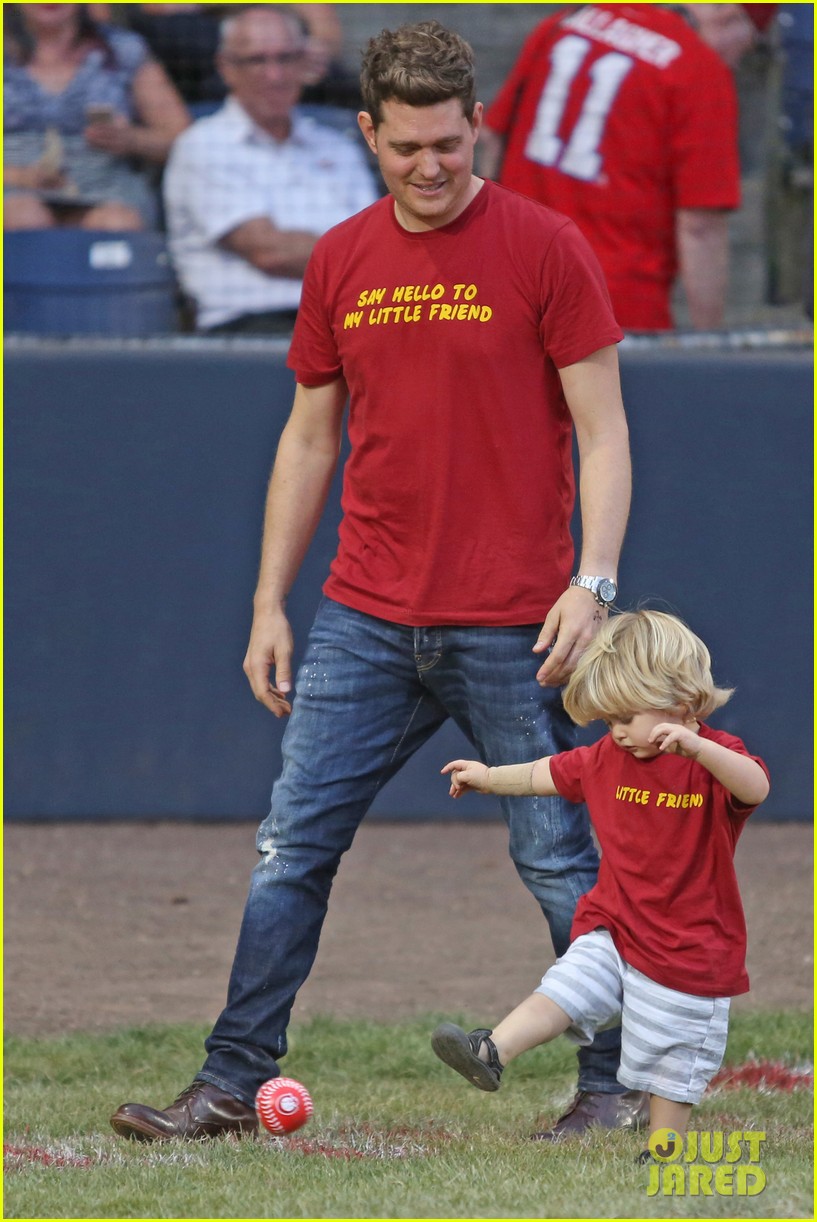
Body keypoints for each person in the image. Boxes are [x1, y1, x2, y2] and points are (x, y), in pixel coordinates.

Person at [110, 18, 635, 1144]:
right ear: (367, 133)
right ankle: (231, 1082)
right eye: (405, 148)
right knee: (290, 846)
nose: (431, 166)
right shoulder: (343, 257)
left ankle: (613, 1083)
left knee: (559, 862)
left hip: (518, 621)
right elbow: (308, 441)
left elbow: (603, 432)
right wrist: (267, 604)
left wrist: (592, 580)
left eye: (448, 142)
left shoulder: (545, 245)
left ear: (476, 124)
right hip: (362, 614)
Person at [433, 610, 770, 1157]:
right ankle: (491, 1052)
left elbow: (755, 786)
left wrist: (698, 748)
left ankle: (666, 1148)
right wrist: (488, 778)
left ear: (681, 702)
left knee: (669, 1053)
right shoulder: (607, 757)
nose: (615, 731)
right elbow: (547, 772)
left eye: (627, 716)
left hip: (688, 947)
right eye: (608, 719)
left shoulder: (714, 760)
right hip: (613, 924)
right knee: (566, 986)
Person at [479, 3, 742, 331]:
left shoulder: (565, 22)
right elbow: (701, 225)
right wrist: (710, 343)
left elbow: (493, 137)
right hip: (616, 303)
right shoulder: (698, 69)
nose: (737, 58)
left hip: (514, 280)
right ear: (727, 15)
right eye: (748, 43)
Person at [162, 5, 378, 335]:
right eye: (257, 60)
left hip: (350, 322)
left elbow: (376, 243)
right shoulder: (202, 146)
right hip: (250, 329)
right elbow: (270, 252)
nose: (274, 75)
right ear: (226, 67)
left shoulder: (339, 147)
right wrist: (365, 258)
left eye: (286, 58)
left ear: (304, 62)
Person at [3, 3, 189, 231]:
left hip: (108, 188)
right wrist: (18, 177)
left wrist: (132, 139)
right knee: (23, 216)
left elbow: (183, 140)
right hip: (12, 183)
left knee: (116, 223)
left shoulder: (122, 49)